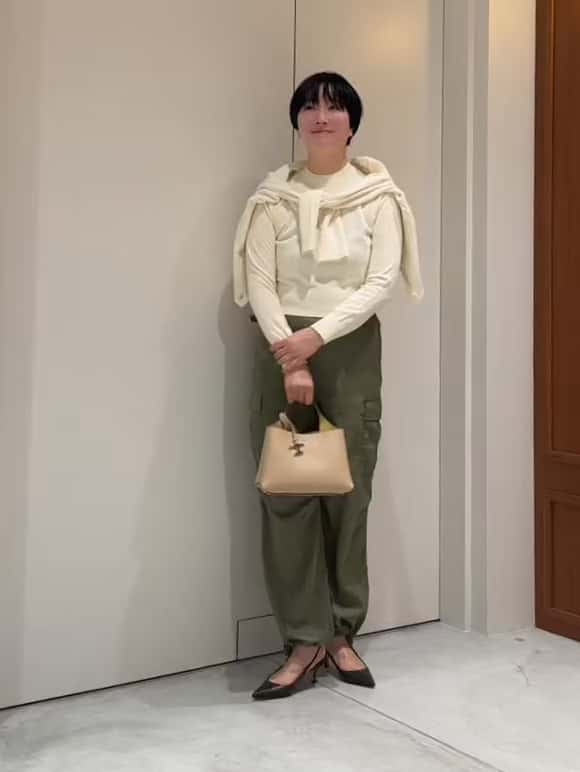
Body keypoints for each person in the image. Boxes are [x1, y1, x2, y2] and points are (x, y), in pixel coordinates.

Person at [233, 71, 423, 700]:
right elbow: (260, 280)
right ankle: (303, 639)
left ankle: (342, 633)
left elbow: (381, 279)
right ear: (296, 120)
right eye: (310, 106)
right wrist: (289, 355)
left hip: (349, 350)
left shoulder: (379, 197)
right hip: (278, 347)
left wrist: (315, 340)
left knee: (349, 492)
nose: (321, 116)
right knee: (287, 492)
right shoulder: (271, 197)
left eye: (334, 107)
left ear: (352, 123)